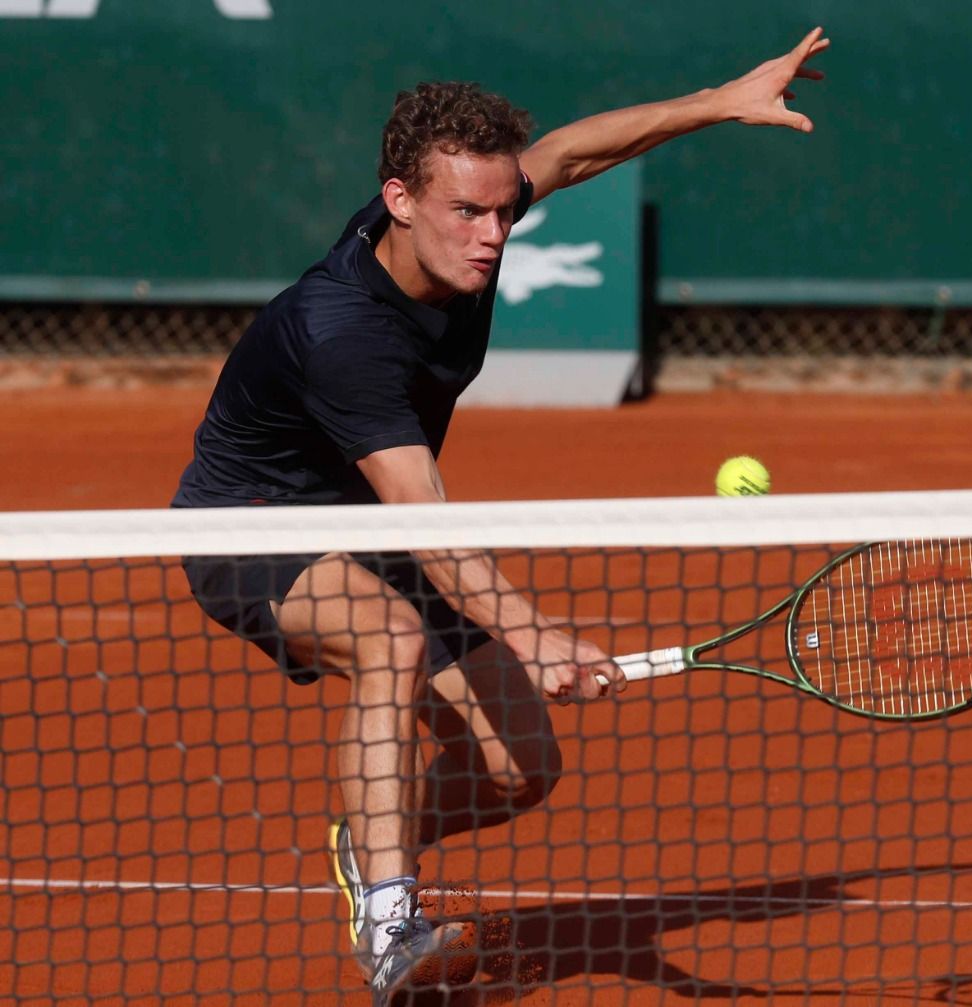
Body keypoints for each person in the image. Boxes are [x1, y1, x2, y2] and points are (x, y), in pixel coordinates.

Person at [170, 28, 828, 1004]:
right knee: (387, 639)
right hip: (248, 523)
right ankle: (393, 923)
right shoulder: (342, 328)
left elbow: (571, 152)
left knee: (521, 770)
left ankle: (370, 832)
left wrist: (719, 99)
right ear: (398, 201)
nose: (492, 234)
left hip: (362, 522)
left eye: (502, 212)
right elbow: (423, 513)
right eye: (466, 213)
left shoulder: (473, 210)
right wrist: (537, 631)